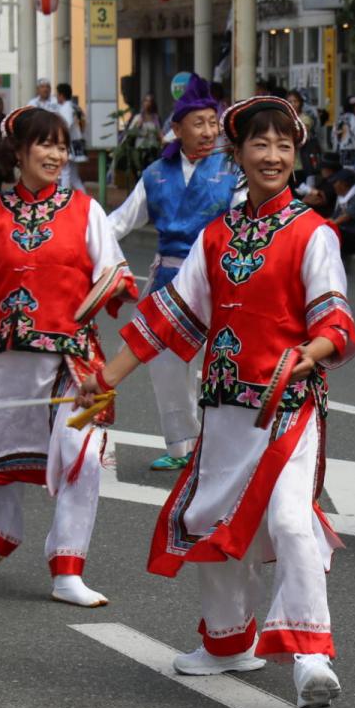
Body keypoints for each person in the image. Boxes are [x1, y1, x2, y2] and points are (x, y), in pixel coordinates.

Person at [76, 94, 355, 708]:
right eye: (261, 143)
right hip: (226, 410)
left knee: (288, 521)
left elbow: (334, 316)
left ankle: (311, 656)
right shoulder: (218, 237)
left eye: (285, 146)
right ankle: (229, 643)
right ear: (239, 153)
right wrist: (109, 376)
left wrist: (311, 351)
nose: (274, 155)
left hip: (286, 408)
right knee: (211, 522)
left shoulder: (314, 233)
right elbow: (173, 317)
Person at [0, 107, 137, 605]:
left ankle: (68, 567)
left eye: (62, 146)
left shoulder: (85, 210)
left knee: (82, 456)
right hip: (2, 355)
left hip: (71, 359)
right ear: (18, 152)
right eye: (44, 145)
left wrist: (119, 286)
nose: (56, 155)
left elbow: (113, 272)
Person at [107, 73, 241, 471]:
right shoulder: (156, 174)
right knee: (165, 364)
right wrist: (83, 242)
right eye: (198, 123)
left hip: (218, 279)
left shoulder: (232, 169)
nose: (208, 131)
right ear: (177, 129)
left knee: (221, 362)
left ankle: (220, 445)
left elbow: (245, 223)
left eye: (212, 122)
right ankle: (182, 446)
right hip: (168, 281)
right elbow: (118, 223)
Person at [129, 92, 163, 169]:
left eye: (149, 101)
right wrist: (138, 126)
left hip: (153, 148)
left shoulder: (156, 118)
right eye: (146, 101)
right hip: (141, 148)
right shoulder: (138, 117)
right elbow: (131, 133)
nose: (147, 103)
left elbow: (160, 133)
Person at [334, 95, 355, 167]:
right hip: (352, 152)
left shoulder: (339, 119)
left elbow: (333, 137)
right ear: (352, 107)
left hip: (339, 151)